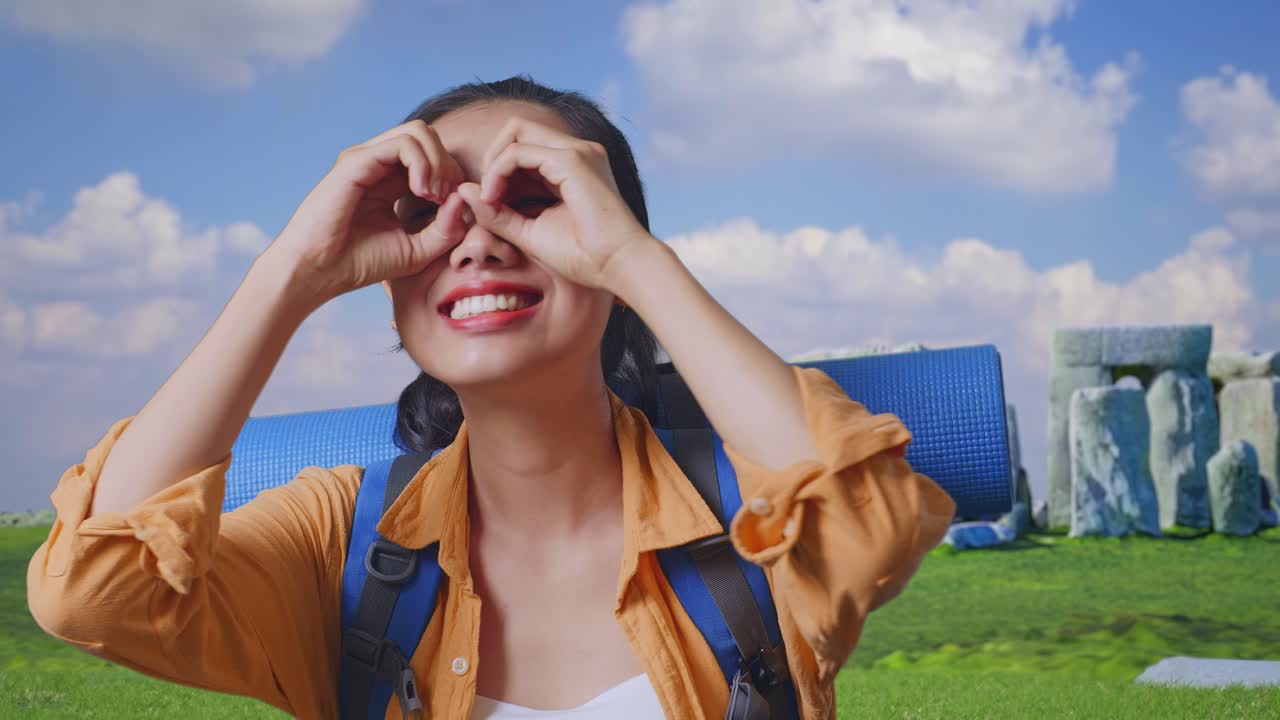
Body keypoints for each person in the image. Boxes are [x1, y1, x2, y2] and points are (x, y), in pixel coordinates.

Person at [26, 75, 957, 719]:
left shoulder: (745, 517)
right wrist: (292, 272)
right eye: (427, 211)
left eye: (531, 196)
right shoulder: (342, 541)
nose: (475, 238)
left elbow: (871, 524)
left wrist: (636, 261)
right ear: (392, 286)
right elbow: (95, 594)